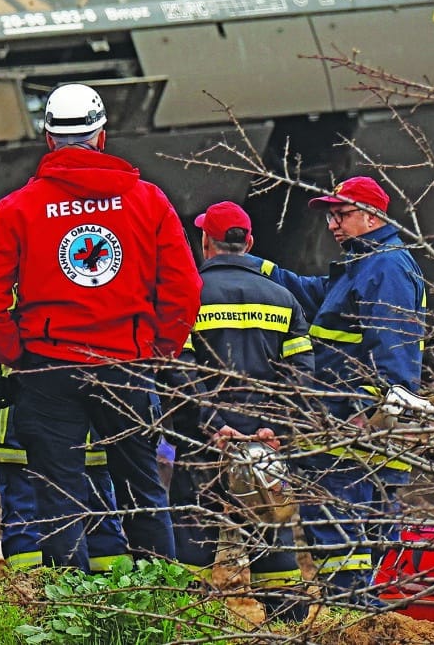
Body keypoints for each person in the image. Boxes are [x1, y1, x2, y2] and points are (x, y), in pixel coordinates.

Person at [0, 83, 200, 570]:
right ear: (101, 136)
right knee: (142, 491)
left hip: (49, 370)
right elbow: (183, 289)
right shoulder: (149, 201)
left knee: (59, 497)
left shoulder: (18, 208)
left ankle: (69, 612)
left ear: (49, 139)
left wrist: (18, 355)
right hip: (128, 365)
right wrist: (158, 349)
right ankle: (161, 603)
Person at [264, 175, 426, 607]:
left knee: (338, 524)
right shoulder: (365, 264)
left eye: (343, 215)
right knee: (367, 528)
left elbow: (392, 343)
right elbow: (317, 294)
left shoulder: (386, 267)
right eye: (330, 216)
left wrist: (373, 410)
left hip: (353, 427)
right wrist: (255, 268)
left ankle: (352, 613)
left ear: (373, 216)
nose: (333, 225)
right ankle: (368, 613)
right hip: (353, 427)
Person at [175, 201, 311, 617]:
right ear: (249, 241)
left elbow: (180, 373)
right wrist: (275, 429)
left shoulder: (188, 295)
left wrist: (212, 425)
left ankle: (179, 622)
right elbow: (302, 376)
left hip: (203, 442)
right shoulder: (283, 298)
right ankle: (288, 623)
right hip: (263, 444)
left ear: (205, 242)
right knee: (272, 531)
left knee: (191, 534)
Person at [0, 304, 131, 577]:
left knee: (28, 527)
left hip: (21, 433)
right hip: (96, 432)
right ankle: (113, 601)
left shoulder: (10, 276)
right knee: (102, 525)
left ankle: (38, 599)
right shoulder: (103, 276)